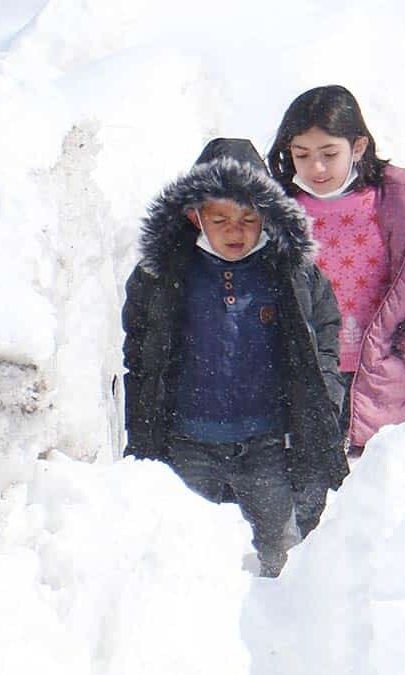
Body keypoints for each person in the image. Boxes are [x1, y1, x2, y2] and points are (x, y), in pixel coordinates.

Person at [121, 138, 348, 577]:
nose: (234, 231)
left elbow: (323, 331)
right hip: (188, 442)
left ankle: (281, 625)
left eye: (248, 218)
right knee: (180, 550)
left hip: (265, 443)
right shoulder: (164, 274)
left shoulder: (287, 270)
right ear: (194, 215)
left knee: (283, 549)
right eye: (220, 218)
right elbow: (139, 349)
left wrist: (327, 390)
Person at [267, 85, 405, 457]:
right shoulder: (275, 212)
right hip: (301, 382)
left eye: (329, 153)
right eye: (302, 154)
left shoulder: (401, 209)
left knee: (378, 496)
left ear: (358, 147)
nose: (316, 167)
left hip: (381, 380)